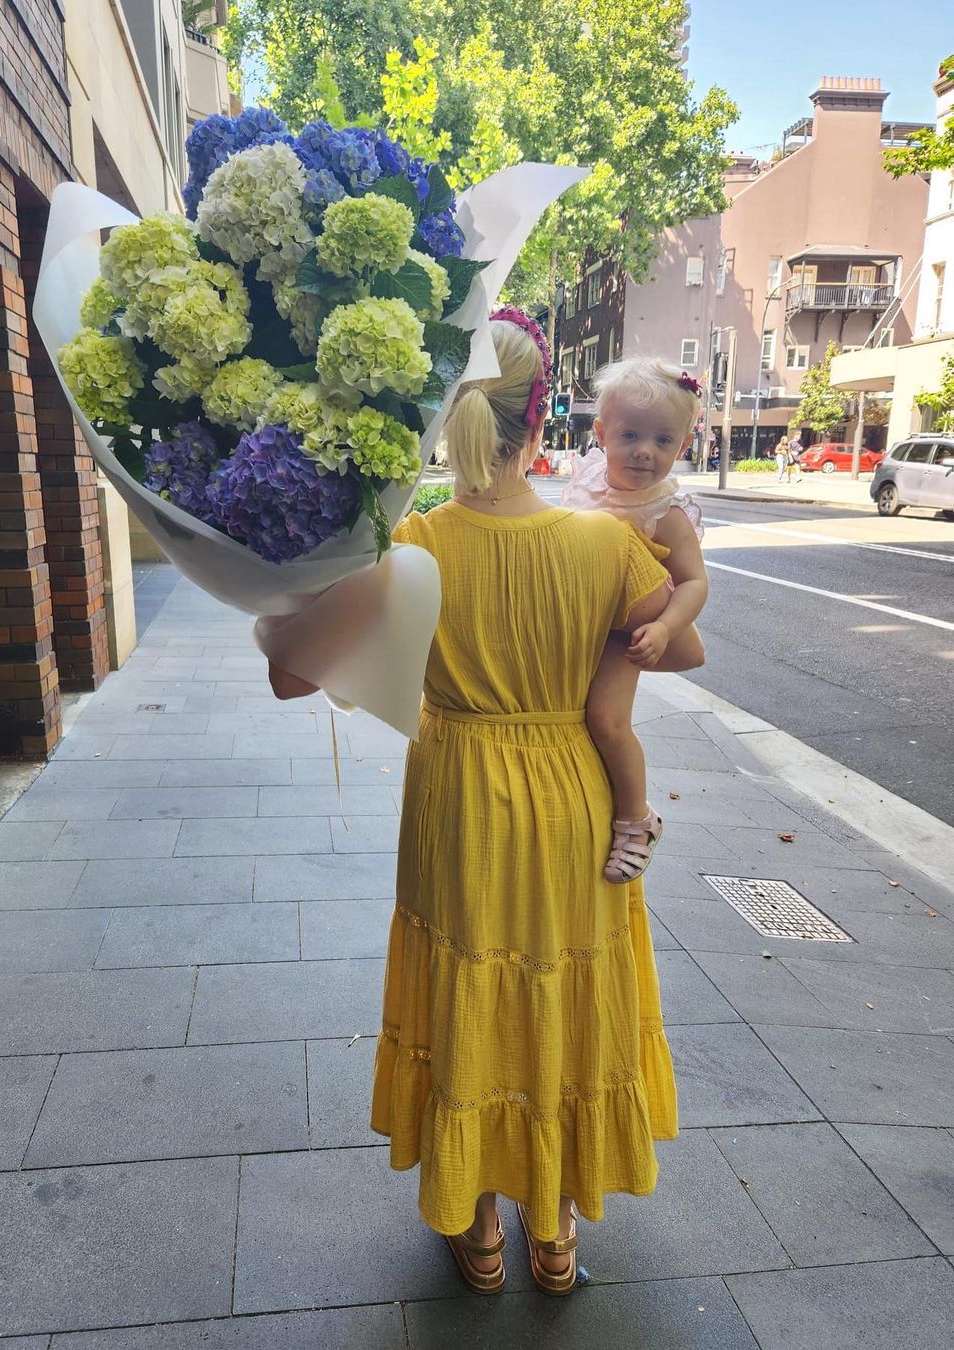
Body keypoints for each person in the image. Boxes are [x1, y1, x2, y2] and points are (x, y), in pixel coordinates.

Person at [270, 310, 681, 1296]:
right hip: (575, 794)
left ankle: (483, 1228)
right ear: (542, 421)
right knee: (564, 988)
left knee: (472, 991)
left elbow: (289, 676)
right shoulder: (605, 541)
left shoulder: (413, 543)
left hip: (458, 799)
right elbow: (678, 641)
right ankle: (557, 1231)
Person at [563, 360, 709, 882]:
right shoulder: (586, 477)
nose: (645, 451)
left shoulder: (664, 511)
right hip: (583, 616)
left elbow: (694, 582)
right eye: (630, 435)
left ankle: (636, 820)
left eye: (662, 440)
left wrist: (665, 627)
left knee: (606, 720)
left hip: (624, 633)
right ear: (601, 433)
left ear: (683, 446)